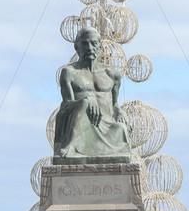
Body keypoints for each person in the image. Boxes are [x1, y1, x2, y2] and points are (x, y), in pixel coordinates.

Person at [53, 26, 132, 161]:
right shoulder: (69, 72)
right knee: (84, 102)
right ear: (76, 48)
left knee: (121, 129)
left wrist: (119, 111)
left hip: (106, 125)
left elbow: (115, 104)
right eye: (85, 43)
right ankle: (72, 147)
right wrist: (86, 99)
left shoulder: (112, 74)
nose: (89, 47)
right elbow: (66, 105)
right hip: (80, 126)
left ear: (99, 47)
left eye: (93, 43)